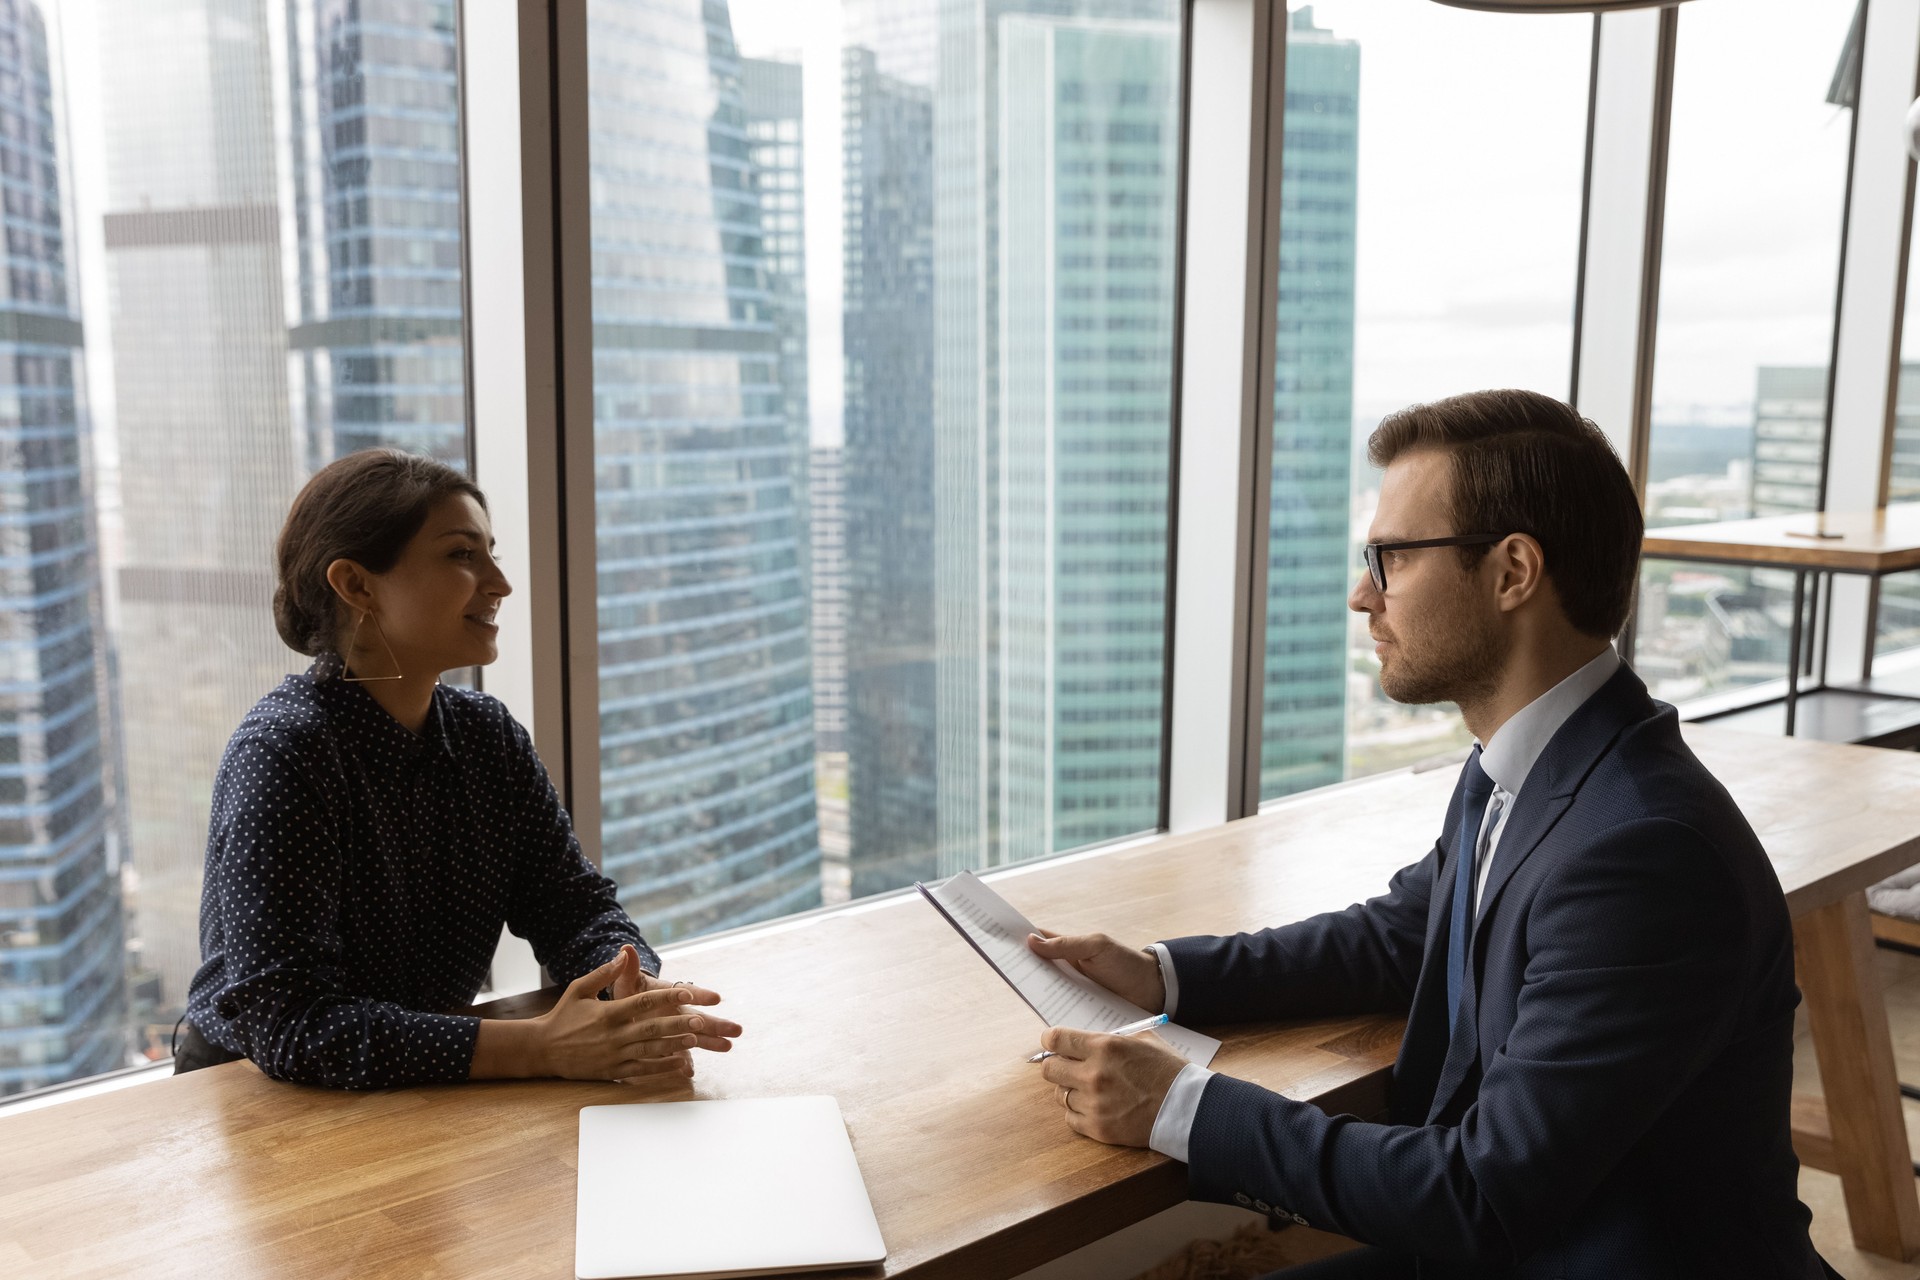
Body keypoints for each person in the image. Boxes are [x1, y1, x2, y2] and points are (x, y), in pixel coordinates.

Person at [1024, 390, 1834, 1277]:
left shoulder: (1644, 851)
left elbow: (1484, 1195)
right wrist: (1161, 972)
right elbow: (1409, 932)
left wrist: (1181, 1105)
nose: (1360, 593)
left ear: (1513, 571)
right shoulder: (1531, 760)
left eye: (1391, 558)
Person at [178, 449, 741, 1088]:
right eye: (461, 555)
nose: (499, 583)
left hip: (425, 1083)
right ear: (357, 585)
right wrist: (542, 1047)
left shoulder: (486, 735)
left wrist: (628, 991)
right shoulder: (286, 752)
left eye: (490, 553)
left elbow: (571, 905)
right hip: (254, 1101)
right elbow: (291, 1024)